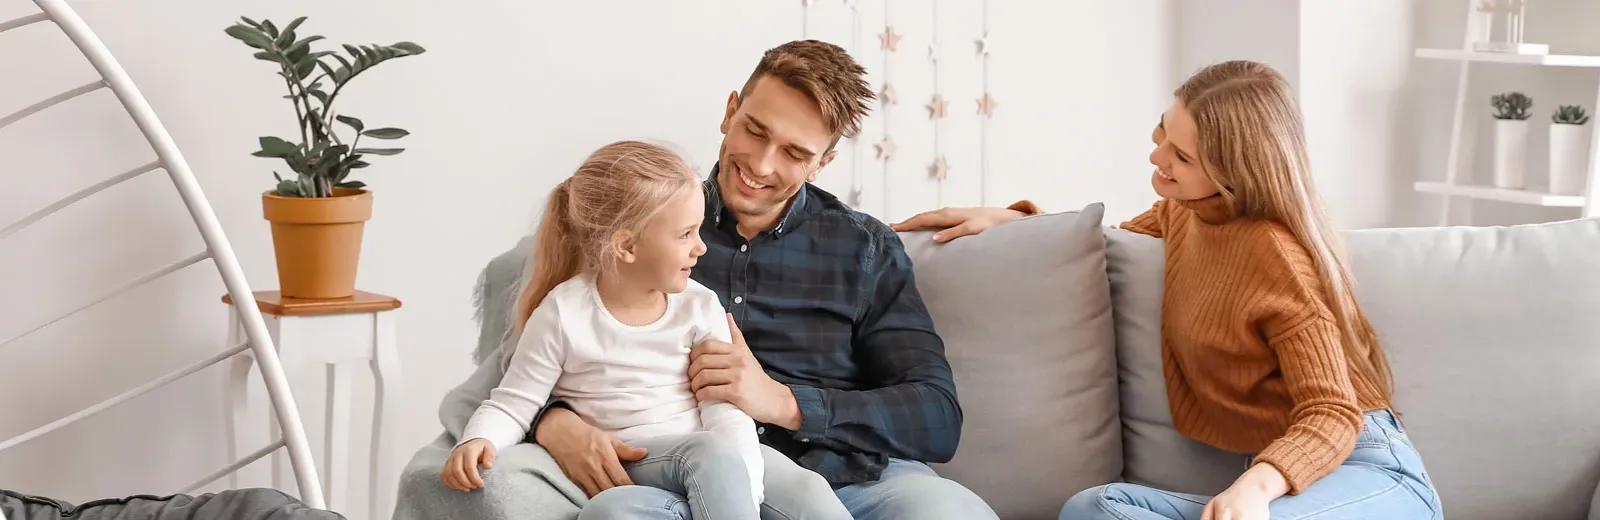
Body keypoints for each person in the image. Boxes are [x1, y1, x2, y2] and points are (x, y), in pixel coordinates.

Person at [394, 39, 997, 520]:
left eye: (793, 152)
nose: (761, 166)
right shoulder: (638, 220)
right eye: (755, 131)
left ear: (823, 162)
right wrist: (557, 420)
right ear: (730, 110)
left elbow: (935, 416)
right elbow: (528, 367)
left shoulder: (862, 248)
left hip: (842, 481)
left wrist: (785, 403)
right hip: (664, 475)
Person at [892, 60, 1443, 520]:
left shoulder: (1280, 261)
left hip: (1363, 470)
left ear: (1235, 173)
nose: (1157, 158)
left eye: (1183, 157)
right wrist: (1014, 221)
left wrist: (1257, 485)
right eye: (1163, 133)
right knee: (1094, 509)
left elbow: (1332, 411)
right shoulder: (1187, 214)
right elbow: (1106, 241)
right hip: (1288, 484)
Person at [439, 140, 851, 519]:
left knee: (806, 491)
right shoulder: (563, 314)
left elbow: (725, 409)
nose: (700, 247)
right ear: (627, 247)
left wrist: (745, 490)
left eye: (699, 230)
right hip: (639, 457)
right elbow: (513, 403)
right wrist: (477, 441)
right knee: (703, 456)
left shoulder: (699, 305)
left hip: (713, 451)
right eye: (685, 234)